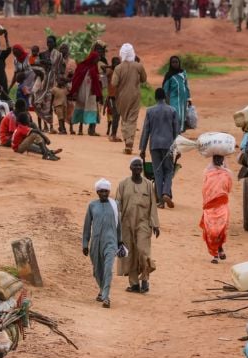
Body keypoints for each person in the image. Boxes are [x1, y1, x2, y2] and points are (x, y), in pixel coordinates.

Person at [116, 158, 160, 293]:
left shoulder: (148, 184)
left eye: (140, 166)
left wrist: (155, 224)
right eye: (135, 165)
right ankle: (134, 284)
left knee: (143, 251)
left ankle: (145, 278)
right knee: (130, 254)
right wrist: (116, 223)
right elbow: (117, 205)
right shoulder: (123, 184)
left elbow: (153, 205)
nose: (137, 168)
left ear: (142, 168)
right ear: (130, 167)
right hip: (126, 223)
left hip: (143, 223)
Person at [83, 178, 123, 309]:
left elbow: (119, 225)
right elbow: (87, 226)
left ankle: (106, 297)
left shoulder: (115, 204)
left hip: (111, 242)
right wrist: (85, 243)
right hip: (95, 243)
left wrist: (120, 240)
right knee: (97, 270)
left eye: (106, 191)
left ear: (109, 191)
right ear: (97, 192)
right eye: (101, 191)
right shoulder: (92, 206)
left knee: (108, 269)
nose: (104, 194)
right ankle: (101, 290)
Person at [139, 88, 180, 208]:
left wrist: (142, 148)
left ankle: (160, 202)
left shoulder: (150, 111)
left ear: (156, 98)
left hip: (154, 145)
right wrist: (177, 149)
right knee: (169, 170)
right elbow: (176, 131)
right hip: (168, 145)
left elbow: (146, 130)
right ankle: (166, 193)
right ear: (165, 97)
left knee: (158, 172)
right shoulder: (172, 110)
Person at [112, 43, 147, 154]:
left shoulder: (118, 68)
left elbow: (114, 83)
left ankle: (127, 140)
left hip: (121, 97)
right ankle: (130, 141)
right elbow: (144, 79)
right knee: (132, 119)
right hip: (135, 96)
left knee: (125, 118)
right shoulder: (138, 66)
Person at [200, 155, 232, 263]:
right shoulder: (208, 174)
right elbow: (205, 189)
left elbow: (227, 188)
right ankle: (216, 254)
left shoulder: (226, 174)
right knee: (212, 231)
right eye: (217, 159)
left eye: (220, 159)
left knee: (220, 230)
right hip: (210, 206)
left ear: (223, 160)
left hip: (221, 205)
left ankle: (218, 251)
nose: (218, 161)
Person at [69, 46, 103, 136]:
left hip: (91, 93)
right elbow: (76, 80)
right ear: (92, 58)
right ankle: (80, 129)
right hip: (82, 92)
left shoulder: (94, 68)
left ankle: (91, 130)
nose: (97, 61)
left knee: (93, 109)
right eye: (96, 59)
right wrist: (74, 92)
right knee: (81, 108)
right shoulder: (82, 66)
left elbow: (96, 82)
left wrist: (98, 93)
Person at [162, 55, 191, 131]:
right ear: (170, 64)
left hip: (183, 99)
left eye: (176, 62)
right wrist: (164, 100)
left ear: (179, 63)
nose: (175, 64)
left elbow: (186, 85)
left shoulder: (183, 73)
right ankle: (175, 132)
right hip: (174, 99)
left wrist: (189, 98)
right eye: (173, 62)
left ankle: (180, 132)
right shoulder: (169, 75)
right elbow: (165, 88)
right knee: (176, 116)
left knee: (183, 116)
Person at [104, 57, 121, 141]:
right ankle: (112, 134)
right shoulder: (110, 72)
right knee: (115, 115)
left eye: (119, 63)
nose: (118, 64)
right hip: (111, 97)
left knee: (117, 116)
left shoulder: (120, 72)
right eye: (116, 63)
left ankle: (113, 134)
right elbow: (102, 67)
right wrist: (110, 66)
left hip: (119, 97)